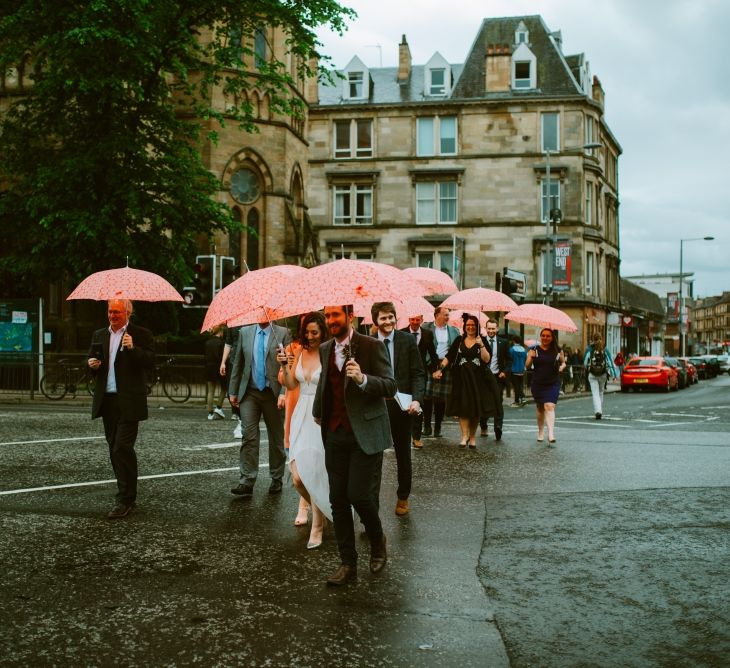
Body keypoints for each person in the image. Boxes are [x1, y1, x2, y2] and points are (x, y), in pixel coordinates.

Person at [312, 305, 396, 586]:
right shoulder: (325, 349)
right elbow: (326, 381)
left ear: (350, 317)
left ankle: (377, 539)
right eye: (328, 316)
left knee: (359, 495)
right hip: (335, 433)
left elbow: (390, 385)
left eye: (336, 315)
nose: (330, 321)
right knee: (338, 500)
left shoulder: (370, 346)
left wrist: (362, 380)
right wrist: (317, 410)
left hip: (365, 433)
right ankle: (348, 564)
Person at [87, 299, 155, 519]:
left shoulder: (140, 334)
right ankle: (128, 494)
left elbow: (150, 362)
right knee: (113, 449)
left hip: (129, 400)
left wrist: (132, 348)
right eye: (110, 311)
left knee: (121, 448)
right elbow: (91, 359)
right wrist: (91, 365)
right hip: (107, 400)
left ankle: (124, 499)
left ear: (128, 312)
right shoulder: (99, 334)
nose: (112, 315)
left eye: (117, 311)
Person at [277, 312, 331, 549]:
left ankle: (317, 525)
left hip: (321, 415)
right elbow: (290, 384)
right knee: (298, 477)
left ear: (323, 332)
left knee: (317, 471)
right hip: (300, 414)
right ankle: (327, 510)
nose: (310, 336)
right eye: (306, 332)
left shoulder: (329, 353)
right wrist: (284, 366)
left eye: (314, 332)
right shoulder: (298, 351)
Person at [372, 302, 425, 516]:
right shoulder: (367, 343)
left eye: (391, 317)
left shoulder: (407, 340)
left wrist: (417, 400)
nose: (388, 322)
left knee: (403, 454)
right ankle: (370, 505)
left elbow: (418, 373)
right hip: (375, 407)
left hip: (402, 407)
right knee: (372, 457)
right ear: (375, 320)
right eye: (383, 318)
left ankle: (403, 497)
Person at [228, 320, 291, 496]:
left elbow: (289, 366)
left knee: (276, 437)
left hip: (274, 393)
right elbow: (238, 363)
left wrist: (284, 392)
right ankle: (246, 480)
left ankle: (276, 478)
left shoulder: (283, 332)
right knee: (248, 435)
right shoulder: (245, 332)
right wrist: (233, 390)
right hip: (250, 392)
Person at [436, 313, 498, 449]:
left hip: (477, 380)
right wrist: (440, 369)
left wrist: (481, 345)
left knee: (475, 409)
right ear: (465, 326)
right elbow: (449, 357)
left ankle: (472, 437)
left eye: (473, 325)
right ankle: (464, 436)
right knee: (463, 408)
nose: (470, 327)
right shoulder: (459, 340)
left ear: (477, 327)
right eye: (468, 325)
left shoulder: (482, 340)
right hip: (461, 379)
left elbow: (487, 360)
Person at [421, 306, 459, 438]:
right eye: (445, 315)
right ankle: (426, 427)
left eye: (448, 315)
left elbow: (454, 351)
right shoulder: (425, 328)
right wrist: (431, 366)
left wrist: (444, 366)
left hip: (446, 366)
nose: (448, 317)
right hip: (429, 364)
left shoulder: (454, 331)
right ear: (437, 315)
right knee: (426, 397)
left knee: (441, 398)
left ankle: (437, 428)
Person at [400, 314, 437, 449]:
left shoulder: (427, 334)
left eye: (417, 319)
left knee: (418, 404)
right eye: (412, 319)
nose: (415, 322)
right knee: (403, 405)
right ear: (408, 320)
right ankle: (402, 436)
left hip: (420, 374)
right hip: (403, 374)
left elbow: (433, 353)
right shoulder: (401, 333)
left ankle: (416, 437)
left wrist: (436, 369)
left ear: (421, 320)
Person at [524, 328, 566, 445]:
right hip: (538, 383)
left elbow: (563, 362)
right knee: (540, 408)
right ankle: (541, 431)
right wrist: (531, 358)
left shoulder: (557, 350)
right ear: (540, 336)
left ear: (552, 338)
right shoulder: (534, 350)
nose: (545, 338)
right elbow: (527, 366)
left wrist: (562, 366)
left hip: (553, 382)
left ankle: (551, 433)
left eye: (548, 336)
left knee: (549, 406)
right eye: (543, 335)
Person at [479, 319, 508, 440]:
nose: (491, 331)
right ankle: (483, 424)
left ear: (497, 329)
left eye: (493, 328)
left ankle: (498, 427)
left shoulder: (504, 342)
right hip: (484, 378)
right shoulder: (481, 341)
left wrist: (504, 371)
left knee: (498, 401)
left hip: (497, 377)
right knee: (484, 402)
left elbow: (509, 359)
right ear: (485, 329)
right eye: (489, 328)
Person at [583, 333, 617, 419]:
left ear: (592, 339)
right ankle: (599, 410)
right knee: (601, 392)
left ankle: (598, 411)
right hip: (603, 374)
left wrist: (587, 369)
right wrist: (614, 375)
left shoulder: (589, 349)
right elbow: (610, 362)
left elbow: (585, 363)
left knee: (595, 393)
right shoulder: (605, 349)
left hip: (592, 374)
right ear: (601, 339)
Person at [220, 324, 242, 436]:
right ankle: (241, 420)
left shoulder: (253, 320)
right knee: (231, 392)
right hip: (234, 361)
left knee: (245, 392)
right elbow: (228, 343)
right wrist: (223, 362)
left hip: (248, 361)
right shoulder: (232, 323)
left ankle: (243, 422)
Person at [205, 325, 227, 420]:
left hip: (209, 367)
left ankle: (210, 413)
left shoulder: (208, 342)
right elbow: (222, 356)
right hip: (219, 367)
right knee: (224, 387)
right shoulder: (222, 343)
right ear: (220, 332)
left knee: (210, 391)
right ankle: (218, 406)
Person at [508, 335, 527, 406]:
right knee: (519, 385)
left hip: (514, 370)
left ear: (513, 341)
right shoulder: (524, 350)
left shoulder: (511, 350)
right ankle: (519, 399)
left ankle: (520, 399)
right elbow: (525, 359)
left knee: (515, 386)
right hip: (521, 370)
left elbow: (509, 359)